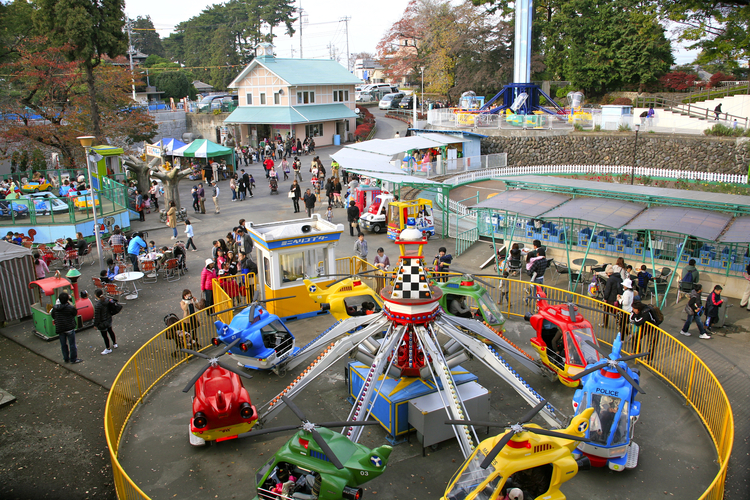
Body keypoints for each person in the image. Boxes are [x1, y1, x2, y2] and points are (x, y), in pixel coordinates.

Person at [51, 292, 82, 364]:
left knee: (63, 344)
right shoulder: (70, 307)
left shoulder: (55, 308)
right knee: (72, 344)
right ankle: (73, 359)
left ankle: (66, 358)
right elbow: (75, 313)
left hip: (60, 328)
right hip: (69, 327)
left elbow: (53, 316)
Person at [94, 289, 118, 355]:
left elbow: (97, 316)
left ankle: (108, 348)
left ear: (96, 296)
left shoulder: (98, 305)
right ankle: (115, 343)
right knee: (110, 331)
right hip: (108, 319)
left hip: (102, 322)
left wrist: (95, 324)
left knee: (105, 336)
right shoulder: (107, 300)